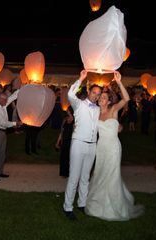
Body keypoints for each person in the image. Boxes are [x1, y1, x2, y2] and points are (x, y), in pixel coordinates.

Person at [85, 71, 144, 221]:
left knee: (111, 175)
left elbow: (126, 98)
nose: (100, 99)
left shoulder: (114, 110)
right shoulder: (95, 113)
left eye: (103, 97)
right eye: (100, 97)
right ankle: (97, 203)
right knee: (99, 174)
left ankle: (114, 207)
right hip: (101, 148)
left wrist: (119, 82)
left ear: (109, 101)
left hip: (113, 148)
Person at [63, 70, 101, 221]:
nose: (96, 96)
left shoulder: (98, 109)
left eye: (98, 94)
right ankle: (67, 207)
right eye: (94, 92)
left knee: (85, 177)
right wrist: (81, 78)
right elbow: (70, 94)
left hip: (92, 145)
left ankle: (82, 204)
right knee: (74, 176)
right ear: (89, 91)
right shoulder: (79, 104)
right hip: (78, 144)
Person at [0, 90, 21, 181]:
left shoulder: (3, 104)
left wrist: (21, 89)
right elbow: (3, 123)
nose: (7, 102)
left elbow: (13, 97)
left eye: (6, 100)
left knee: (2, 153)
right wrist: (16, 123)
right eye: (5, 100)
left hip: (3, 132)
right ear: (0, 99)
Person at [55, 105, 74, 177]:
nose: (67, 111)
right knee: (64, 157)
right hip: (65, 140)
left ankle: (71, 173)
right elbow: (61, 132)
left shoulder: (75, 120)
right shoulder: (65, 119)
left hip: (71, 141)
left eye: (68, 110)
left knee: (71, 158)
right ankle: (64, 173)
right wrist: (58, 142)